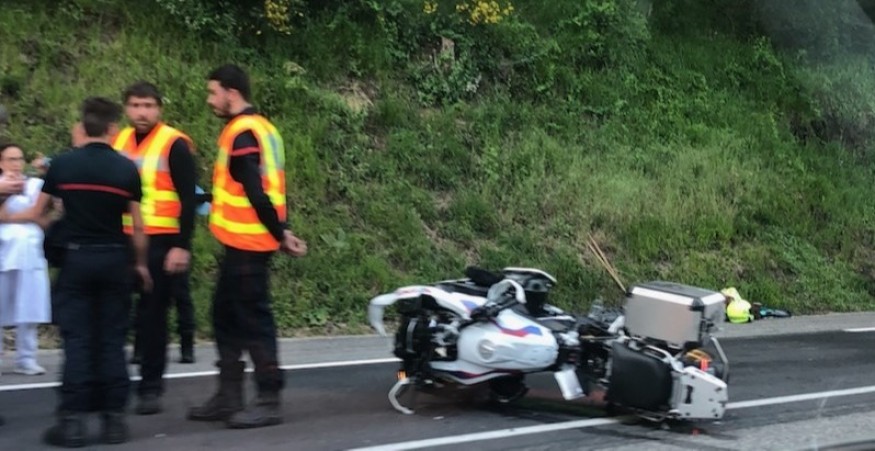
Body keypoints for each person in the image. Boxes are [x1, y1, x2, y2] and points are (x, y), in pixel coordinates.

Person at [1, 98, 151, 447]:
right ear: (113, 128)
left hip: (76, 260)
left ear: (83, 126)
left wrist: (28, 221)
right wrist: (141, 264)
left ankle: (72, 422)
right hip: (114, 258)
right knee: (112, 339)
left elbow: (38, 213)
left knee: (78, 340)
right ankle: (114, 421)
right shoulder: (126, 169)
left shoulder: (64, 166)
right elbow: (138, 227)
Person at [187, 64, 306, 429]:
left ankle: (268, 398)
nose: (210, 100)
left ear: (232, 93)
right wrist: (282, 228)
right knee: (224, 314)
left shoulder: (242, 134)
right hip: (243, 242)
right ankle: (229, 395)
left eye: (213, 93)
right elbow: (266, 189)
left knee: (253, 321)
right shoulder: (262, 128)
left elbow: (256, 191)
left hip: (249, 244)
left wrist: (279, 233)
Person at [112, 81, 198, 415]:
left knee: (153, 316)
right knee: (117, 314)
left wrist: (182, 246)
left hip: (161, 240)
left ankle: (150, 388)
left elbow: (188, 199)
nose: (142, 112)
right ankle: (113, 385)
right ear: (126, 109)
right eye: (135, 105)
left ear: (159, 108)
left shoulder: (174, 143)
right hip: (122, 238)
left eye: (148, 106)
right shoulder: (118, 140)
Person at [0, 143, 52, 376]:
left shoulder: (35, 185)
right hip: (4, 252)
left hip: (31, 252)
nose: (16, 164)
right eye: (10, 159)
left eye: (19, 159)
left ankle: (26, 358)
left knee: (29, 307)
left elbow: (41, 216)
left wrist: (13, 217)